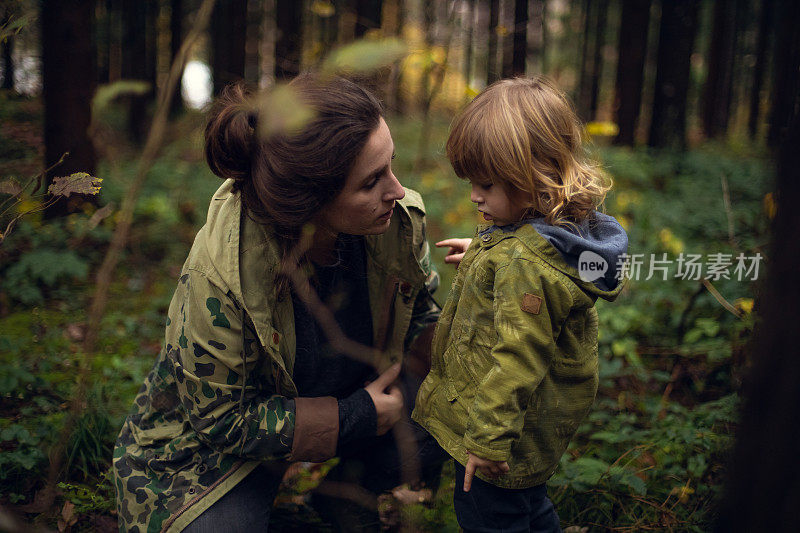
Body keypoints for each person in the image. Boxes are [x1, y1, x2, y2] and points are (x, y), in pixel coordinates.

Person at [112, 74, 445, 533]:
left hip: (355, 399)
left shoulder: (397, 224)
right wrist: (356, 416)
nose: (397, 190)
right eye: (371, 182)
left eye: (391, 165)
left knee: (458, 402)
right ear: (309, 201)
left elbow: (422, 318)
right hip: (219, 453)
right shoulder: (223, 275)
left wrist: (483, 304)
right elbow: (223, 419)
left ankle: (346, 505)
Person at [411, 77, 628, 532]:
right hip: (530, 427)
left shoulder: (523, 265)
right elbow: (543, 268)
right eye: (471, 181)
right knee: (529, 505)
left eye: (486, 183)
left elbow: (518, 357)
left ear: (537, 177)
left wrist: (487, 442)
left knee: (491, 517)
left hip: (503, 433)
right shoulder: (555, 233)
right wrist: (484, 254)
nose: (474, 195)